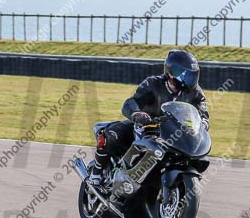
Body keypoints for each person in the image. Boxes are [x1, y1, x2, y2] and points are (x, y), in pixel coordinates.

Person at [87, 50, 210, 186]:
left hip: (174, 134)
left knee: (195, 157)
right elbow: (131, 103)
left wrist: (202, 123)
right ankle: (96, 174)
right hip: (146, 128)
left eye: (192, 75)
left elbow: (202, 113)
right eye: (186, 75)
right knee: (113, 133)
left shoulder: (196, 93)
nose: (190, 79)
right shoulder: (153, 84)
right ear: (171, 73)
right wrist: (137, 114)